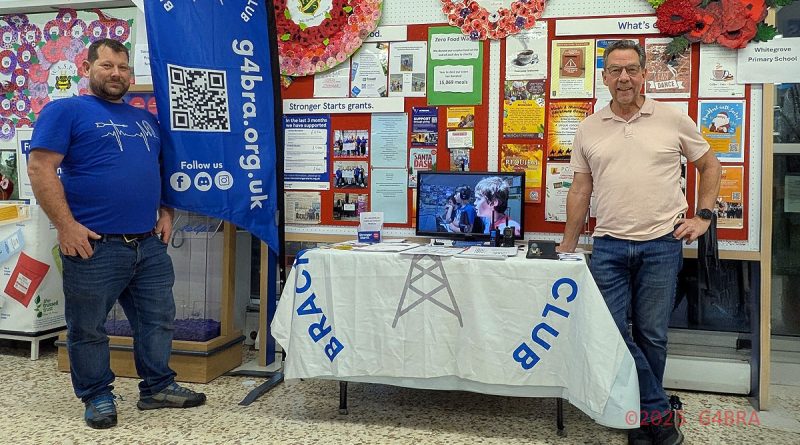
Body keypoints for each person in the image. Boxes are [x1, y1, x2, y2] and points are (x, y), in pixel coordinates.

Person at [27, 38, 206, 430]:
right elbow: (40, 168)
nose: (116, 74)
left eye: (123, 68)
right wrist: (66, 226)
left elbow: (161, 170)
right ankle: (97, 395)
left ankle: (158, 386)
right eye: (107, 65)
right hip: (93, 245)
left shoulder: (145, 119)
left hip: (148, 244)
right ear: (86, 67)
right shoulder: (66, 111)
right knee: (88, 327)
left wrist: (167, 210)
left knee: (158, 319)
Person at [557, 40, 721, 445]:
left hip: (661, 243)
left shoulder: (672, 119)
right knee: (610, 332)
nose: (624, 78)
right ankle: (658, 413)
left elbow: (709, 165)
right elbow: (580, 189)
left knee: (652, 335)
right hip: (608, 246)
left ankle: (640, 419)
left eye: (631, 69)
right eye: (615, 70)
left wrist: (703, 217)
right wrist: (567, 245)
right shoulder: (588, 127)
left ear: (645, 74)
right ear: (605, 77)